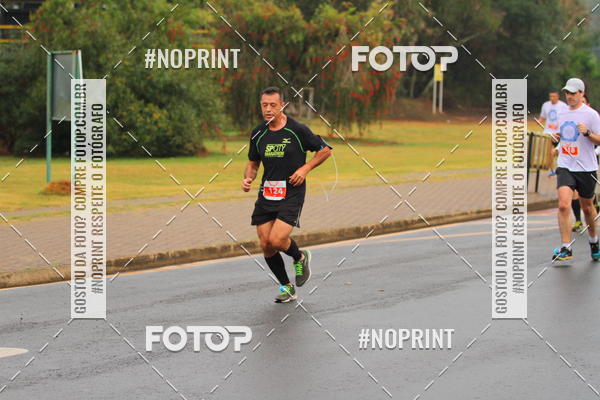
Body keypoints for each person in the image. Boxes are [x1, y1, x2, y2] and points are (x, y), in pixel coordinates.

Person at [242, 87, 333, 302]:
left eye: (273, 105)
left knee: (276, 240)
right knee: (266, 245)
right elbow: (253, 163)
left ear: (282, 106)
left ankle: (299, 257)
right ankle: (287, 288)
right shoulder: (258, 132)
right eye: (264, 105)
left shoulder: (297, 130)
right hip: (267, 193)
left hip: (292, 191)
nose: (268, 109)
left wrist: (305, 169)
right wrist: (248, 178)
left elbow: (325, 150)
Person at [552, 78, 600, 261]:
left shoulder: (591, 115)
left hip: (586, 167)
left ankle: (594, 241)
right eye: (567, 93)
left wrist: (587, 133)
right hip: (566, 165)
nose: (569, 96)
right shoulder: (561, 113)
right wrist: (557, 139)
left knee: (587, 208)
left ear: (582, 93)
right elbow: (564, 136)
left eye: (573, 93)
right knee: (563, 205)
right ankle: (566, 248)